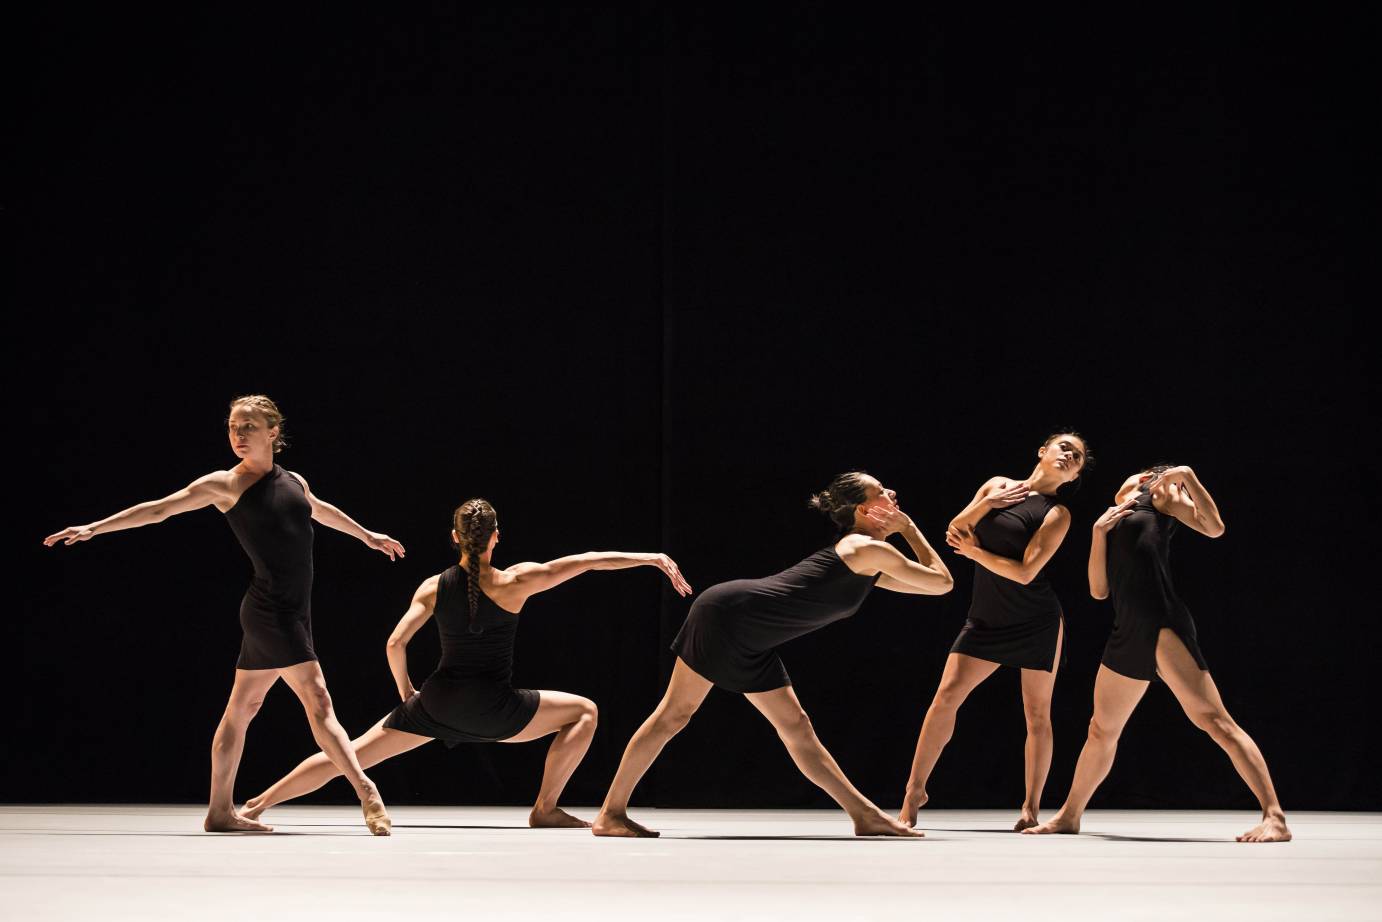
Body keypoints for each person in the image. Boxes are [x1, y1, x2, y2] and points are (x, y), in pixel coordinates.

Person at [43, 395, 405, 834]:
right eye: (233, 427)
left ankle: (219, 812)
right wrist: (95, 528)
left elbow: (319, 508)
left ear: (273, 432)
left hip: (294, 610)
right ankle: (366, 791)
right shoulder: (225, 484)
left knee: (242, 709)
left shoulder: (294, 480)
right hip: (270, 610)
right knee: (318, 699)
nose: (238, 435)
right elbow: (159, 509)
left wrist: (366, 535)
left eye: (248, 426)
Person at [242, 497, 693, 829]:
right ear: (496, 536)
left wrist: (407, 694)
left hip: (436, 706)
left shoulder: (433, 586)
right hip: (498, 711)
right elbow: (587, 562)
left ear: (455, 537)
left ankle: (256, 805)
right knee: (584, 712)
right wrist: (649, 557)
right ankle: (545, 809)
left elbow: (395, 643)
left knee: (347, 755)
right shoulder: (518, 581)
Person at [593, 472, 953, 838]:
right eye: (880, 491)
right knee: (674, 714)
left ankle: (864, 815)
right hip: (728, 617)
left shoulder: (869, 558)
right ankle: (610, 814)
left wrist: (904, 531)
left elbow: (935, 587)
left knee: (796, 726)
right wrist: (909, 529)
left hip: (749, 634)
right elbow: (942, 581)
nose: (891, 492)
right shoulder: (866, 549)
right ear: (863, 509)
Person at [1024, 465, 1290, 842]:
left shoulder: (1159, 497)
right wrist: (1098, 532)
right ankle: (1069, 816)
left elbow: (1214, 528)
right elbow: (1099, 591)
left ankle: (1275, 817)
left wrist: (1188, 476)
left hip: (1160, 621)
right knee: (1101, 729)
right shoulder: (1115, 517)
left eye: (1147, 474)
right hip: (1127, 628)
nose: (1135, 477)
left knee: (1215, 721)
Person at [899, 432, 1088, 832]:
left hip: (1036, 618)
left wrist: (975, 553)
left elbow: (1025, 572)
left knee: (1037, 714)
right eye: (1064, 447)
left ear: (1074, 476)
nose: (1070, 455)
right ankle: (914, 793)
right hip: (986, 617)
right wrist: (988, 503)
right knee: (945, 698)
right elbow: (955, 528)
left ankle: (1030, 808)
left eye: (1077, 457)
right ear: (1042, 451)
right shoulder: (997, 485)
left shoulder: (1057, 514)